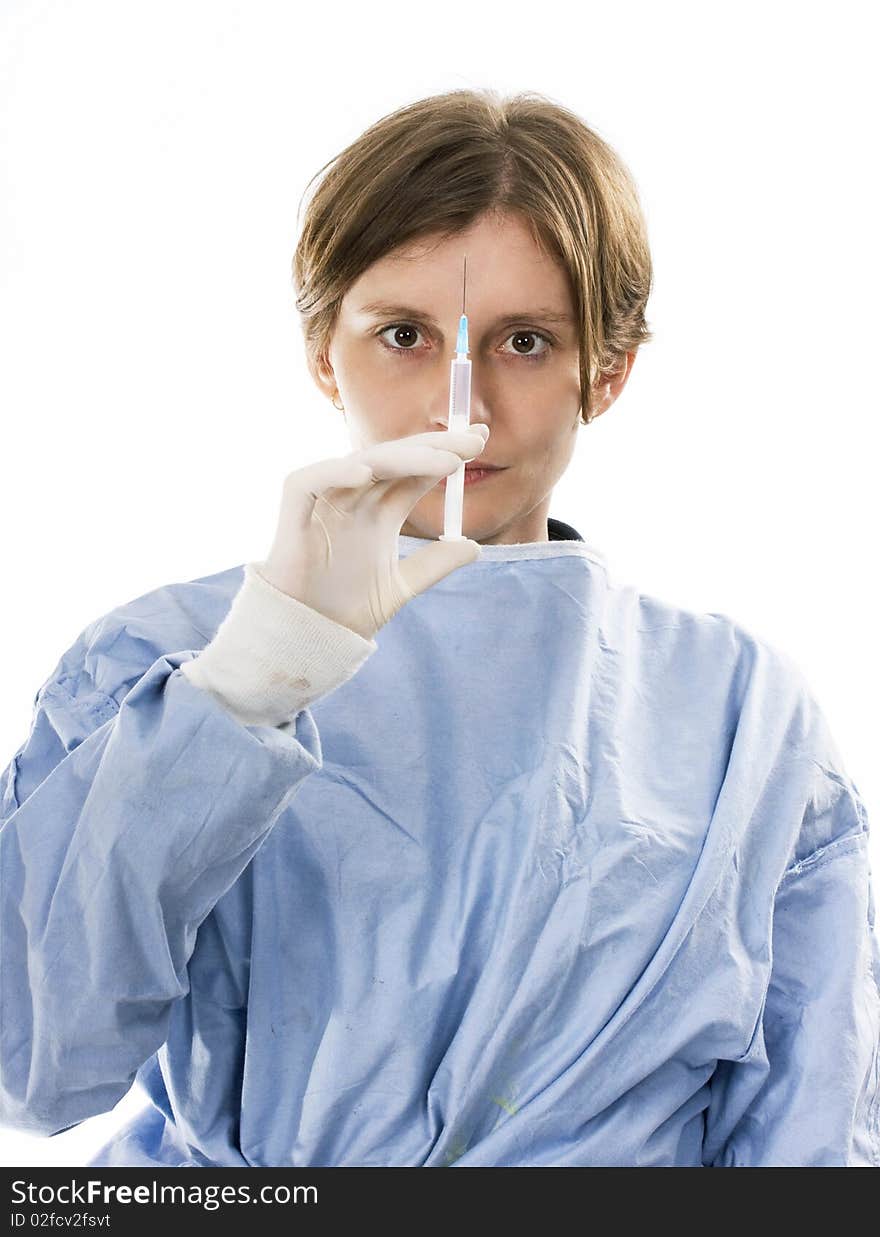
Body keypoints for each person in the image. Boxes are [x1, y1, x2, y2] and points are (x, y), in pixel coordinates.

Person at [1, 87, 878, 1169]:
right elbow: (33, 1064)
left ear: (606, 370)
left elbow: (811, 1130)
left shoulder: (742, 710)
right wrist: (242, 692)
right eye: (402, 335)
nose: (459, 415)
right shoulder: (158, 661)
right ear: (324, 353)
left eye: (524, 341)